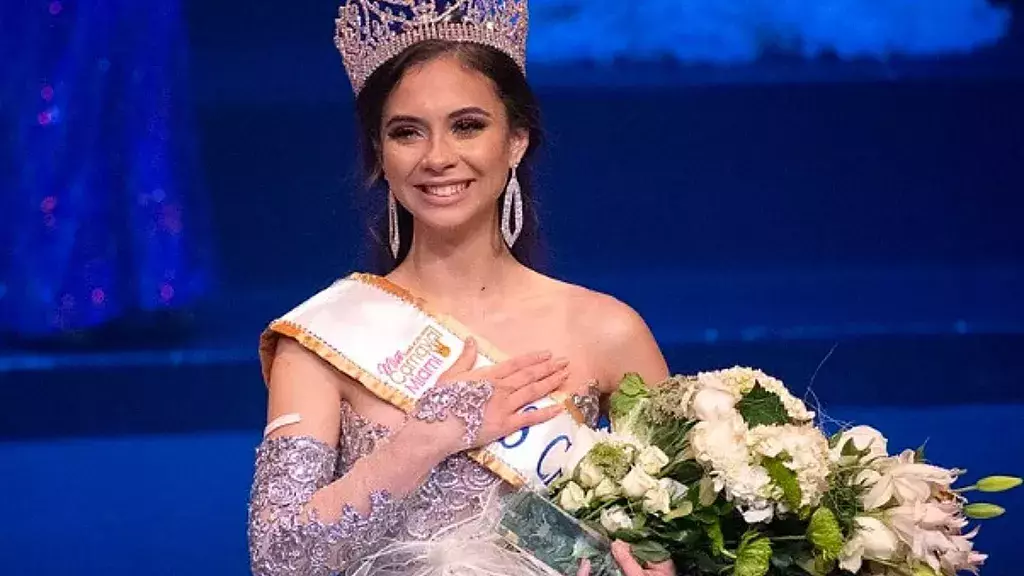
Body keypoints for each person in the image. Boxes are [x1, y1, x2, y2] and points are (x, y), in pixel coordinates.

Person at [247, 1, 672, 574]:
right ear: (380, 153)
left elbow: (683, 529)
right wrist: (428, 438)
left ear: (516, 140)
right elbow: (278, 560)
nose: (438, 158)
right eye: (406, 133)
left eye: (467, 126)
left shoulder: (606, 330)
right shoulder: (323, 339)